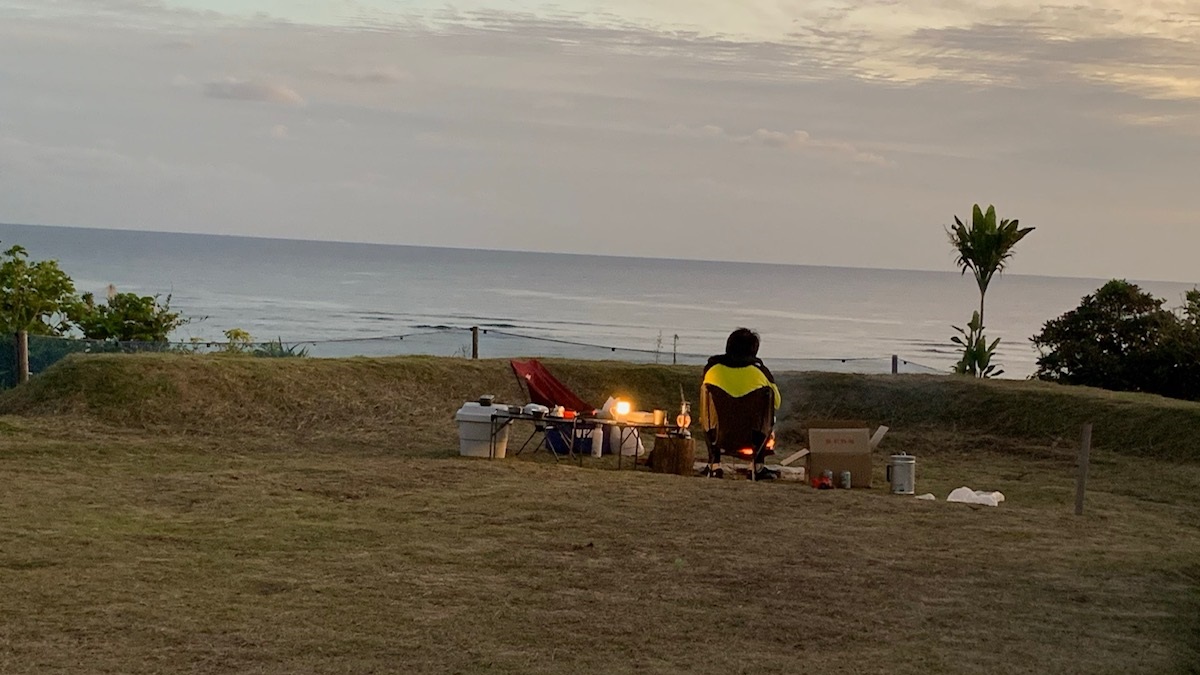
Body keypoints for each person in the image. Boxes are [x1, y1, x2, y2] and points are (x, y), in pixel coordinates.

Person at [699, 328, 782, 480]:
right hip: (753, 435)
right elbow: (776, 403)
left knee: (707, 415)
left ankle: (714, 465)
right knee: (769, 417)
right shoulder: (760, 373)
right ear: (754, 350)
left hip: (719, 433)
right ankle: (758, 467)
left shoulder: (712, 370)